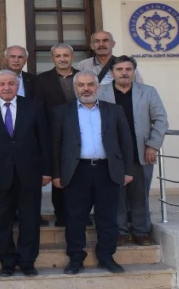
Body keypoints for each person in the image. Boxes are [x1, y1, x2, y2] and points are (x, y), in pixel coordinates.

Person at [51, 71, 134, 275]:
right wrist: (56, 173)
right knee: (75, 217)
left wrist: (128, 171)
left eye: (90, 84)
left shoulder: (114, 110)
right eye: (81, 85)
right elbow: (55, 146)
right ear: (75, 88)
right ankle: (75, 259)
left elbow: (126, 142)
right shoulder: (61, 112)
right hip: (76, 171)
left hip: (108, 170)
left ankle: (107, 257)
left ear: (97, 87)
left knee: (107, 217)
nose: (85, 88)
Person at [0, 70, 52, 277]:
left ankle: (27, 260)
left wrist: (47, 171)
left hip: (30, 173)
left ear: (18, 85)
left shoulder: (34, 107)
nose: (7, 87)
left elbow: (44, 141)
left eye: (11, 83)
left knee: (30, 218)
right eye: (2, 84)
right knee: (1, 219)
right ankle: (6, 261)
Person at [97, 56, 168, 246]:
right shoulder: (101, 92)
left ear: (134, 71)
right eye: (119, 69)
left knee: (139, 195)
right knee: (115, 195)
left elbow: (161, 120)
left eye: (128, 69)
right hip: (111, 153)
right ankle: (120, 232)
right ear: (112, 72)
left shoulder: (148, 92)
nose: (124, 73)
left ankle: (141, 232)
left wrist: (153, 145)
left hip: (141, 151)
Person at [34, 43, 79, 227]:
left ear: (72, 57)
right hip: (54, 133)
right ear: (53, 58)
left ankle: (79, 213)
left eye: (66, 55)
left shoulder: (82, 77)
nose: (62, 59)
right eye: (58, 55)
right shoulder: (42, 80)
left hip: (81, 132)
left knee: (79, 174)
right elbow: (38, 109)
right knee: (58, 175)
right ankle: (60, 214)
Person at [77, 30, 144, 85]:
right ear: (92, 46)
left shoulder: (126, 65)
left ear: (113, 44)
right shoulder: (83, 65)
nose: (101, 44)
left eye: (105, 40)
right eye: (97, 41)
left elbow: (141, 89)